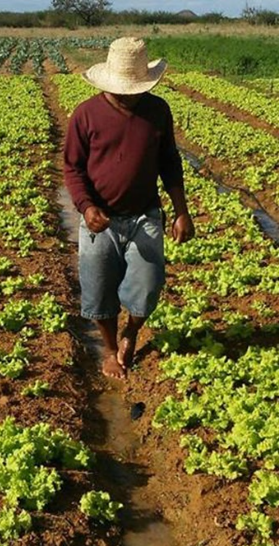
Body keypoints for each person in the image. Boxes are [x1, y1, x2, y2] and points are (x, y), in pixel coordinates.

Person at [64, 37, 194, 379]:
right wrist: (86, 206)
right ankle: (109, 349)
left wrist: (181, 210)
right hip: (100, 220)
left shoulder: (157, 111)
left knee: (149, 282)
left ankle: (132, 330)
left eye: (136, 88)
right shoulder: (86, 115)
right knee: (99, 289)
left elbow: (169, 161)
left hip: (145, 214)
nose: (130, 94)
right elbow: (72, 168)